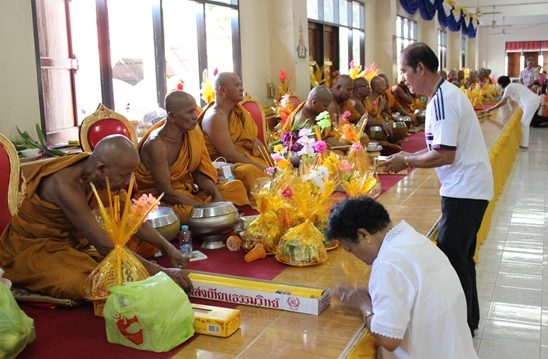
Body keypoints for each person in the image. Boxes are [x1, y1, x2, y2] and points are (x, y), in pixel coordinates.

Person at [381, 42, 494, 336]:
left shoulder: (443, 99)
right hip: (467, 187)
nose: (402, 78)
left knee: (452, 258)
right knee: (461, 257)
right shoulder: (441, 97)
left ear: (421, 68)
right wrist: (408, 159)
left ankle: (459, 328)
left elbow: (445, 154)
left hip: (465, 191)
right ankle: (469, 320)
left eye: (405, 70)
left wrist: (406, 160)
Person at [0, 135, 193, 302]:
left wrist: (169, 248)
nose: (128, 181)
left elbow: (132, 219)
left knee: (124, 268)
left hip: (77, 245)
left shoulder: (100, 176)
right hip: (35, 248)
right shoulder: (65, 184)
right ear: (101, 169)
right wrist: (162, 272)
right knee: (92, 281)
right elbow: (105, 246)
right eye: (125, 175)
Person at [327, 197, 478, 359]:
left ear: (364, 235)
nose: (357, 257)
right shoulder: (412, 239)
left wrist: (363, 305)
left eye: (350, 250)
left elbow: (388, 339)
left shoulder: (387, 262)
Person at [135, 90, 250, 223]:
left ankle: (211, 217)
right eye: (189, 112)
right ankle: (214, 217)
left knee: (235, 187)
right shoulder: (157, 143)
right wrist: (201, 208)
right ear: (172, 116)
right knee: (186, 213)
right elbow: (165, 192)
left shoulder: (193, 133)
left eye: (194, 111)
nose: (195, 116)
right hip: (161, 200)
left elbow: (199, 173)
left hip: (189, 192)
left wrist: (216, 195)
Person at [198, 72, 268, 194]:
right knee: (251, 170)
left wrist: (270, 162)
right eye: (236, 85)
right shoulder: (215, 117)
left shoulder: (239, 112)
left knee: (280, 167)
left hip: (245, 158)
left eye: (240, 84)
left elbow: (254, 141)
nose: (242, 89)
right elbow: (230, 155)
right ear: (222, 90)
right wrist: (262, 168)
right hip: (226, 166)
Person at [281, 85, 348, 151]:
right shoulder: (302, 120)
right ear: (314, 103)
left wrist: (347, 148)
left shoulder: (317, 112)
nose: (327, 109)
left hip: (320, 148)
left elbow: (326, 137)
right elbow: (309, 150)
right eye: (325, 106)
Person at [484, 76, 541, 147]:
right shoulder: (512, 86)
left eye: (499, 84)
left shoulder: (509, 87)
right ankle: (523, 143)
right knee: (524, 122)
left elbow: (503, 102)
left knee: (524, 123)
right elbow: (510, 101)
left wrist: (490, 109)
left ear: (501, 84)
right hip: (531, 102)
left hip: (531, 102)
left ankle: (524, 144)